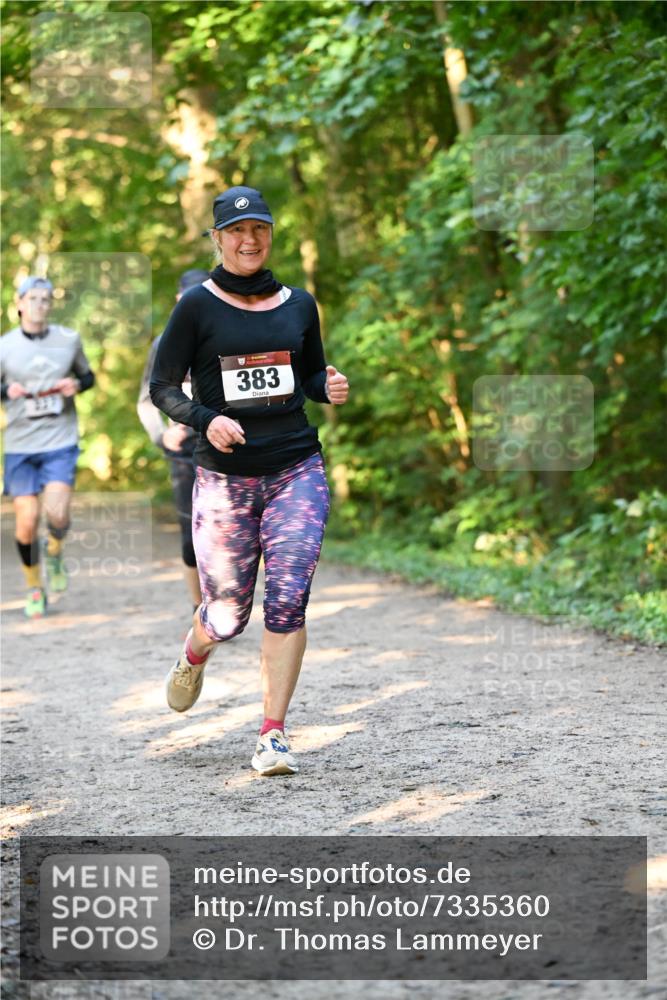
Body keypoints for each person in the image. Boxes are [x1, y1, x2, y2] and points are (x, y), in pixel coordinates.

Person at [150, 186, 349, 776]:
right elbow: (164, 388)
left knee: (288, 601)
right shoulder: (196, 307)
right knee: (227, 616)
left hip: (296, 468)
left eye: (258, 229)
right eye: (236, 231)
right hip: (224, 482)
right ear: (217, 238)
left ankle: (273, 734)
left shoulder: (299, 304)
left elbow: (307, 377)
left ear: (270, 234)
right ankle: (195, 651)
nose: (249, 240)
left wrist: (326, 386)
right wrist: (207, 421)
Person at [1, 276, 95, 618]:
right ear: (20, 303)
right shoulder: (4, 346)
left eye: (46, 299)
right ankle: (33, 587)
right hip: (20, 446)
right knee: (26, 522)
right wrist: (5, 392)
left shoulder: (68, 340)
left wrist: (76, 384)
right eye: (34, 298)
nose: (41, 304)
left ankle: (54, 551)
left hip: (60, 440)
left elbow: (89, 377)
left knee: (57, 513)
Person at [137, 269, 209, 613]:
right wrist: (161, 434)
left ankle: (226, 599)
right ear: (179, 300)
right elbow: (145, 400)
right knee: (189, 534)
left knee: (227, 529)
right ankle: (199, 607)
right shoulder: (162, 343)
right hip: (181, 447)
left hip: (225, 444)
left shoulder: (225, 332)